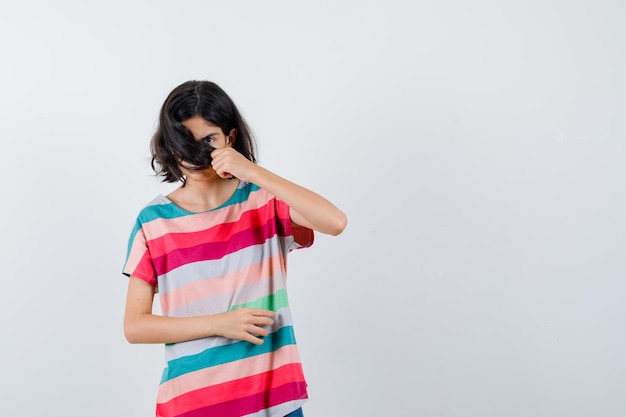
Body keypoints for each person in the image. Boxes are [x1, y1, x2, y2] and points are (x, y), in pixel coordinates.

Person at [122, 80, 347, 417]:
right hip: (194, 404)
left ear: (230, 138)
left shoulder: (263, 201)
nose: (194, 156)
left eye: (208, 140)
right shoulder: (152, 222)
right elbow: (135, 326)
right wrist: (220, 324)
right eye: (183, 141)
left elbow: (334, 222)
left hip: (274, 402)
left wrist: (251, 170)